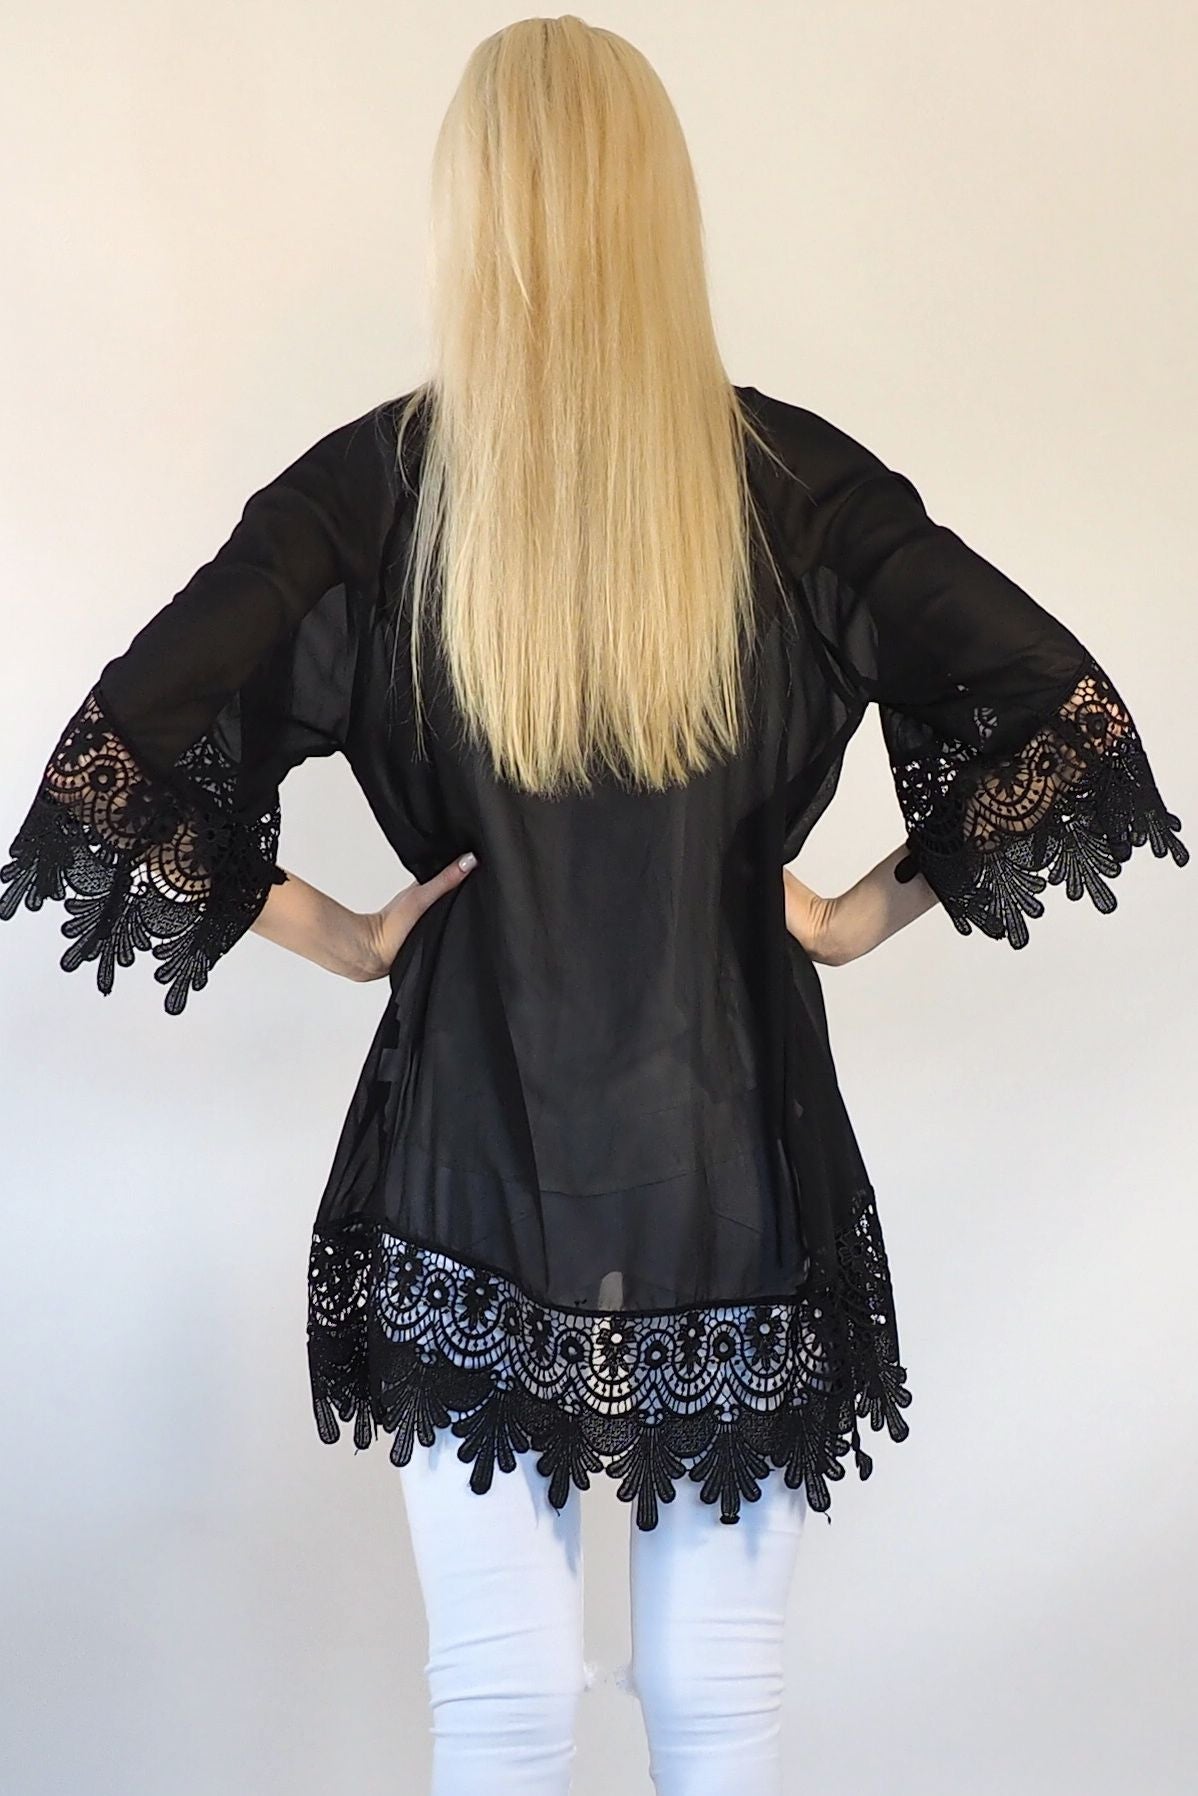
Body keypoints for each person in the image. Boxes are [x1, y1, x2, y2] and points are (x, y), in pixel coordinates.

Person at [1, 17, 1188, 1796]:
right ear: (662, 207)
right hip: (730, 1154)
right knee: (717, 1700)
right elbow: (1063, 717)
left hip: (470, 1154)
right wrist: (854, 916)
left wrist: (346, 935)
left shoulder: (371, 495)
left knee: (497, 1706)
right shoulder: (792, 491)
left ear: (469, 215)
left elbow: (116, 763)